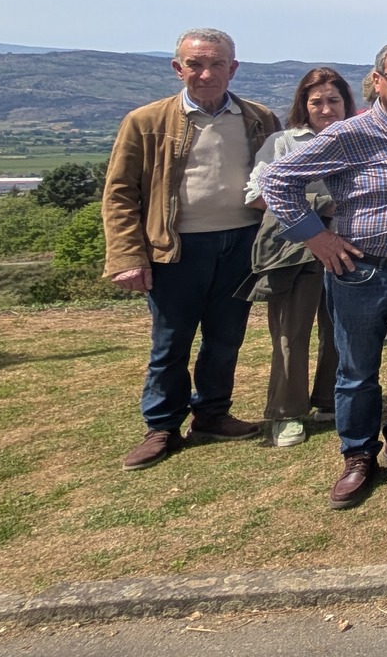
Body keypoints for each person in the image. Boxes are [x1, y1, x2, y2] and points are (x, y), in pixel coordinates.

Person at [260, 40, 387, 509]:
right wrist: (315, 237)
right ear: (378, 81)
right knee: (357, 372)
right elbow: (275, 180)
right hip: (362, 272)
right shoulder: (352, 133)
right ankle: (358, 455)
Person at [106, 29, 281, 470]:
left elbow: (279, 178)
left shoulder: (259, 118)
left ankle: (211, 415)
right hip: (175, 248)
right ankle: (162, 426)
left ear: (232, 69)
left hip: (241, 244)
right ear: (178, 68)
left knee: (226, 338)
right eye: (195, 64)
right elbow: (120, 193)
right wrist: (127, 256)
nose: (206, 74)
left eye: (217, 64)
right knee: (171, 342)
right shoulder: (145, 121)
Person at [244, 67, 353, 449]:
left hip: (350, 247)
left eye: (333, 100)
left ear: (346, 102)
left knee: (341, 331)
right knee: (291, 334)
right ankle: (286, 412)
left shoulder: (359, 139)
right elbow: (257, 196)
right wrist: (322, 204)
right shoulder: (283, 142)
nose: (326, 109)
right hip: (295, 252)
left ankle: (329, 401)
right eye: (316, 101)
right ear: (303, 105)